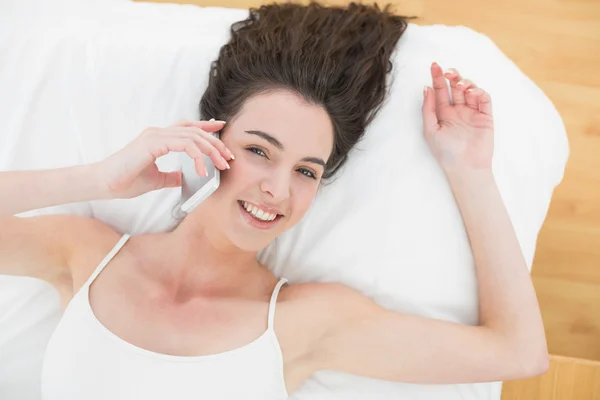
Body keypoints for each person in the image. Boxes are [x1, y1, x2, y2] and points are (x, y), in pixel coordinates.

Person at [0, 2, 548, 399]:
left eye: (307, 170)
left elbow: (519, 353)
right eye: (260, 151)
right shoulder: (88, 257)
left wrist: (469, 170)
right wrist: (100, 179)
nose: (279, 190)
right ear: (210, 138)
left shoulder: (303, 321)